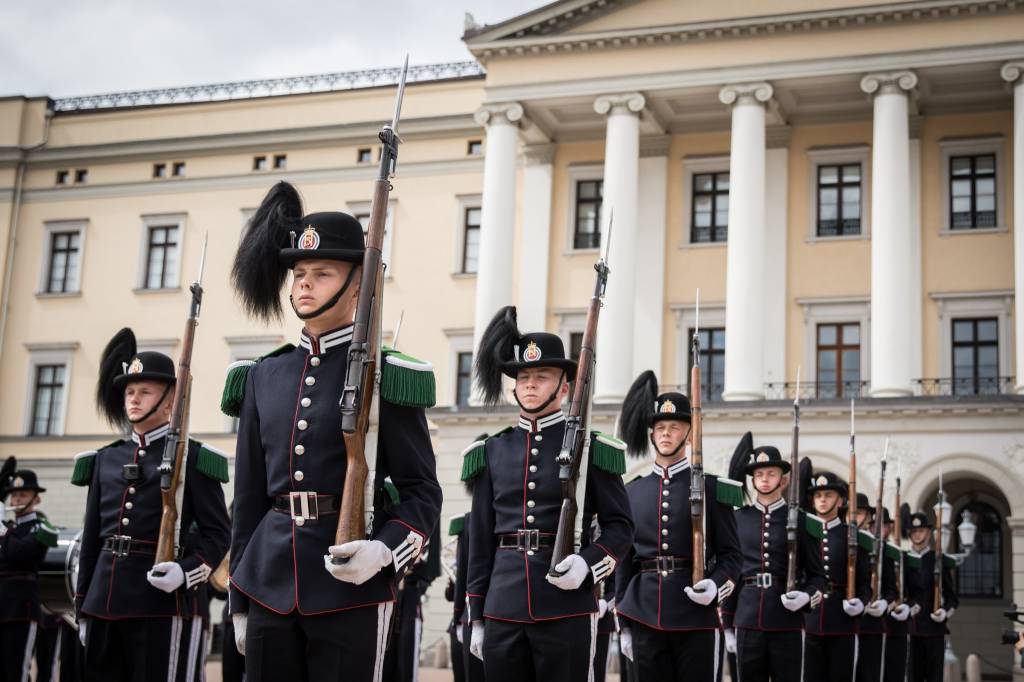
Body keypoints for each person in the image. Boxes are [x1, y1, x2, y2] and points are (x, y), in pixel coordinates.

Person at [224, 182, 442, 682]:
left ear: (358, 283)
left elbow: (422, 491)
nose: (305, 285)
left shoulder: (387, 375)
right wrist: (239, 596)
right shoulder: (263, 376)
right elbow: (249, 498)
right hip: (269, 582)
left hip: (350, 584)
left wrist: (384, 550)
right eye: (299, 274)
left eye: (322, 274)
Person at [464, 306, 633, 682]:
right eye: (523, 377)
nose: (530, 385)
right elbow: (480, 540)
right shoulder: (493, 450)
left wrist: (588, 565)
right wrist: (476, 615)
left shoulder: (591, 449)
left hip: (566, 607)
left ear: (565, 387)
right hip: (503, 607)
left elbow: (621, 528)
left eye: (542, 377)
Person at [73, 328, 231, 681]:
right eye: (130, 392)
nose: (134, 400)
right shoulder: (105, 460)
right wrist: (83, 604)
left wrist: (186, 572)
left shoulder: (194, 458)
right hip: (103, 602)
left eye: (145, 392)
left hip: (160, 603)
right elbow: (92, 541)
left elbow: (219, 534)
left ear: (170, 400)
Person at [613, 371, 741, 682]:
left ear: (690, 434)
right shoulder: (632, 492)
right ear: (651, 434)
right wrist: (623, 621)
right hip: (644, 613)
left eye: (674, 427)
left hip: (695, 614)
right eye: (660, 428)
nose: (666, 434)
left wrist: (716, 586)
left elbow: (732, 557)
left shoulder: (713, 489)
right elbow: (625, 561)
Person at [721, 435, 827, 682]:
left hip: (787, 621)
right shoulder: (738, 519)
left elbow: (818, 577)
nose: (765, 479)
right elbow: (732, 574)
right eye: (759, 474)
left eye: (771, 473)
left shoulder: (802, 521)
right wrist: (727, 624)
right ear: (752, 480)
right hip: (747, 619)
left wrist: (806, 597)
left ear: (784, 479)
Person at [801, 471, 871, 682]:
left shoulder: (852, 536)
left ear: (840, 501)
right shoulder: (804, 533)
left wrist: (861, 603)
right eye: (818, 495)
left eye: (828, 495)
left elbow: (864, 583)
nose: (822, 500)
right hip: (810, 620)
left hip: (842, 622)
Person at [1, 462, 59, 682]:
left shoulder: (42, 528)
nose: (17, 500)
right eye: (14, 496)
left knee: (16, 671)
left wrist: (2, 530)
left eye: (23, 495)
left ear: (36, 499)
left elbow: (17, 553)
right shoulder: (8, 528)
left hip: (20, 607)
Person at [905, 511, 958, 682]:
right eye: (914, 531)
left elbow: (952, 599)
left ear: (928, 533)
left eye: (921, 531)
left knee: (935, 677)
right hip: (913, 628)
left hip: (934, 629)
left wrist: (944, 612)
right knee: (913, 676)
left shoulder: (938, 559)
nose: (917, 534)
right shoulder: (904, 559)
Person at [855, 500, 898, 682]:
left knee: (870, 675)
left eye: (860, 513)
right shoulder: (839, 540)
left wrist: (884, 604)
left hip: (871, 624)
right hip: (843, 622)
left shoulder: (883, 549)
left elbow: (891, 590)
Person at [882, 509, 912, 682]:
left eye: (883, 525)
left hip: (895, 625)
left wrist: (907, 607)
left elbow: (915, 593)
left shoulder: (902, 556)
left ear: (890, 528)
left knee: (895, 673)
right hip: (872, 624)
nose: (879, 529)